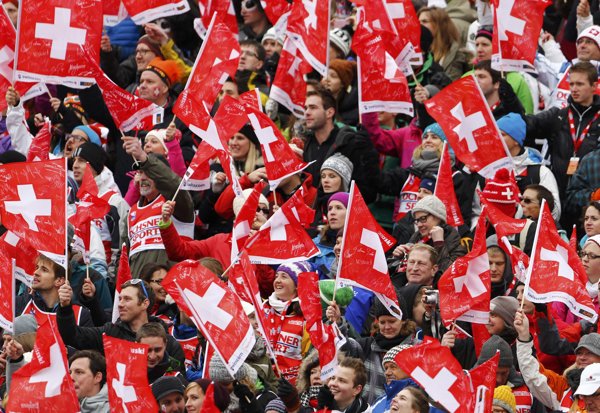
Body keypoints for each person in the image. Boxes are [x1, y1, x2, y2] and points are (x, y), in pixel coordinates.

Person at [56, 279, 185, 365]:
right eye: (120, 299)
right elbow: (72, 336)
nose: (120, 304)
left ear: (145, 303)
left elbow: (178, 379)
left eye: (127, 299)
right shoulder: (110, 333)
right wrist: (65, 307)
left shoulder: (168, 343)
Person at [122, 137, 195, 277]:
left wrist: (144, 159)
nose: (142, 178)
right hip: (140, 287)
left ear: (160, 176)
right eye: (140, 172)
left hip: (173, 283)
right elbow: (123, 258)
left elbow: (173, 184)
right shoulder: (131, 212)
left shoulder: (176, 201)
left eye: (148, 173)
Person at [303, 87, 380, 203]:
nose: (307, 113)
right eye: (306, 108)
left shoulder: (349, 142)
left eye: (313, 107)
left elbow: (365, 189)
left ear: (329, 112)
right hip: (315, 211)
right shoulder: (308, 143)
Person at [262, 261, 312, 384]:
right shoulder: (263, 308)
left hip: (292, 385)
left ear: (297, 285)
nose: (277, 280)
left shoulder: (307, 316)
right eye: (276, 276)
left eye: (284, 276)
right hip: (262, 382)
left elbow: (310, 359)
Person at [16, 254, 93, 327]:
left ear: (59, 281)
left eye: (44, 270)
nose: (35, 272)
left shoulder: (80, 314)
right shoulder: (20, 303)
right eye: (37, 268)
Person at [417, 7, 469, 80]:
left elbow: (452, 83)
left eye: (424, 21)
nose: (419, 25)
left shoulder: (455, 54)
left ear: (438, 25)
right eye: (418, 22)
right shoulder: (419, 51)